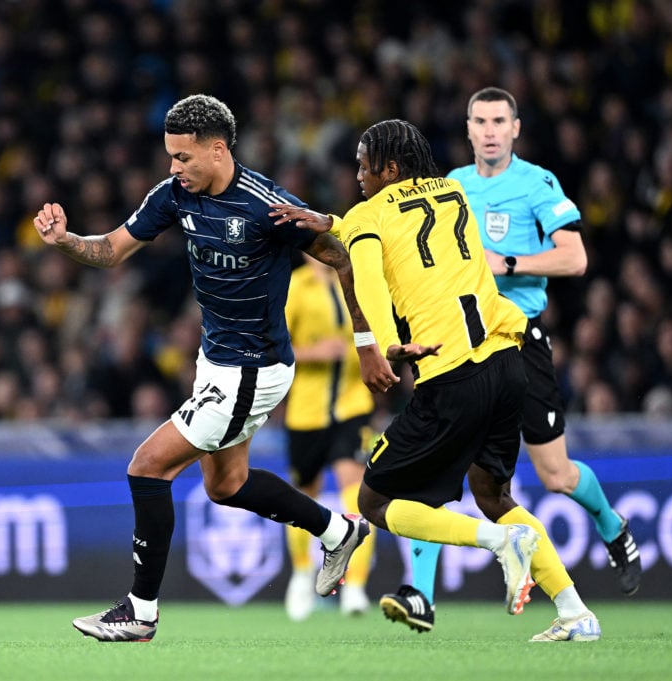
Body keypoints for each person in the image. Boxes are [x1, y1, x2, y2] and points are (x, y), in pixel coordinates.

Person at [34, 94, 398, 643]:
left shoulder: (266, 206)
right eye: (170, 157)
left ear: (219, 150)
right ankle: (336, 530)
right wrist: (65, 241)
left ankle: (141, 611)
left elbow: (344, 256)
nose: (174, 168)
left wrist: (367, 343)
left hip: (254, 369)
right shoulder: (174, 195)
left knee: (146, 466)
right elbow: (110, 249)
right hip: (215, 361)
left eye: (183, 157)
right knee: (226, 486)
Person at [269, 118, 601, 642]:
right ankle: (576, 612)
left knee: (373, 502)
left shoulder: (368, 216)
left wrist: (377, 343)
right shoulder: (453, 191)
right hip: (506, 360)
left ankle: (497, 544)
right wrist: (333, 220)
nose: (357, 173)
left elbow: (370, 276)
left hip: (451, 376)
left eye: (363, 164)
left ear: (391, 168)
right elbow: (402, 226)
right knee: (493, 492)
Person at [401, 87, 641, 619]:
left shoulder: (536, 184)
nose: (489, 130)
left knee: (556, 475)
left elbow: (575, 258)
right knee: (437, 462)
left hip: (520, 339)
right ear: (466, 129)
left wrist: (503, 263)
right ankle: (421, 595)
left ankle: (611, 525)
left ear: (515, 129)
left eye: (498, 121)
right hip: (462, 342)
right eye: (480, 121)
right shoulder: (451, 188)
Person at [282, 253, 379, 620]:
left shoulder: (356, 280)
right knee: (303, 495)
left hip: (354, 404)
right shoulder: (295, 286)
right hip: (307, 410)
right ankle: (302, 573)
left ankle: (354, 586)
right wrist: (313, 352)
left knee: (355, 490)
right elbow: (274, 345)